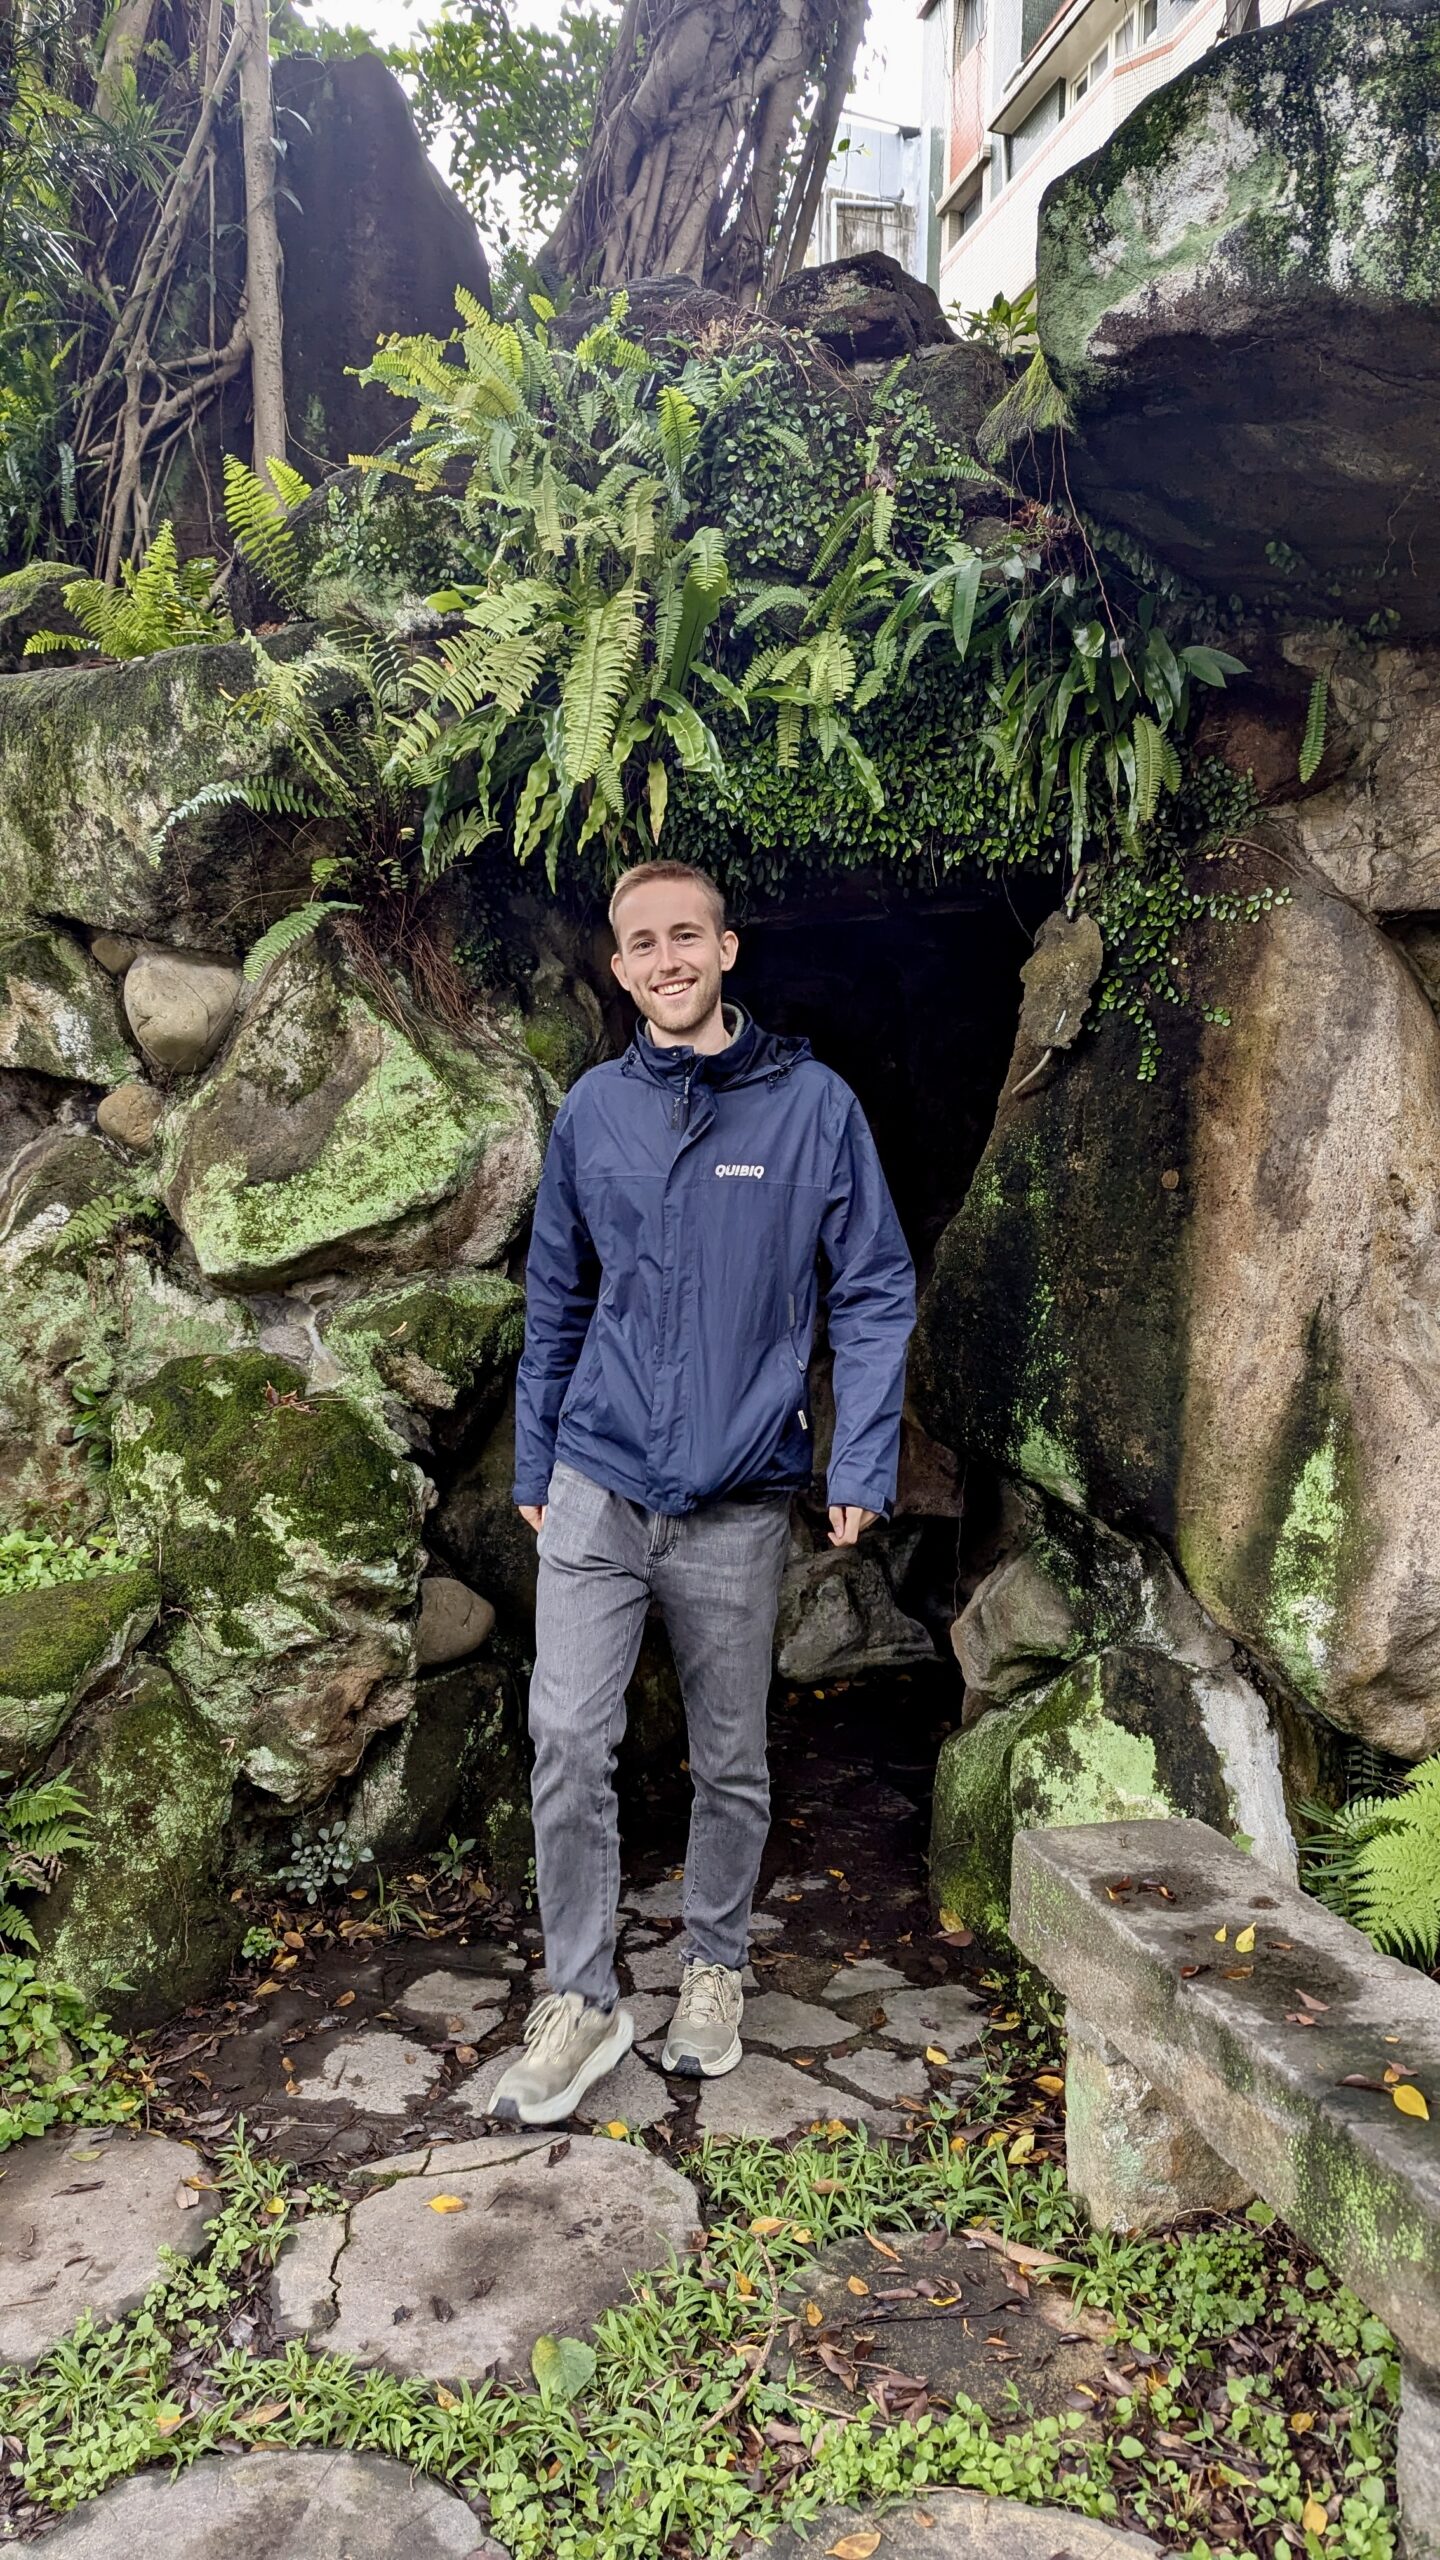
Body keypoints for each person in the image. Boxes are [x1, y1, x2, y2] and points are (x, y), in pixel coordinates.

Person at [490, 858, 916, 2126]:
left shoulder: (814, 1109)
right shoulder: (594, 1112)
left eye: (688, 935)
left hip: (737, 1497)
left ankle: (715, 1964)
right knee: (569, 1739)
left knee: (730, 1757)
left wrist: (860, 1457)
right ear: (619, 968)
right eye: (643, 943)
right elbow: (558, 1296)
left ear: (727, 950)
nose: (667, 958)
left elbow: (874, 1284)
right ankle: (582, 1997)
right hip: (599, 1480)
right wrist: (534, 1461)